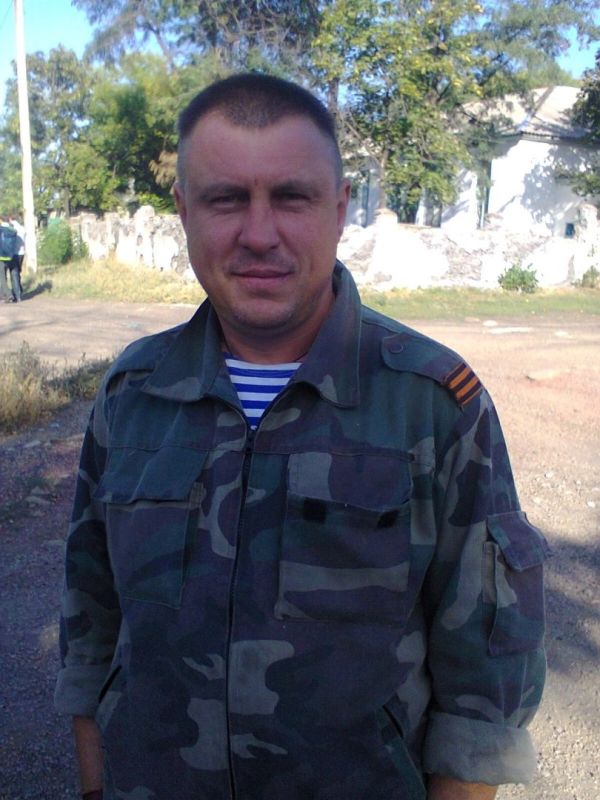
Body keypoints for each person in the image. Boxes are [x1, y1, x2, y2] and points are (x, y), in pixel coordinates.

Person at [55, 73, 549, 800]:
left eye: (292, 197)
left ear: (339, 209)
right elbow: (90, 615)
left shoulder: (431, 403)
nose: (260, 234)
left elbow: (484, 678)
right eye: (226, 199)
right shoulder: (133, 393)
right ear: (184, 211)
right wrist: (97, 784)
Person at [0, 215, 18, 302]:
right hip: (11, 256)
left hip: (1, 256)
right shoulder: (13, 230)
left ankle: (8, 295)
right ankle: (4, 294)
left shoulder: (1, 230)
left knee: (2, 277)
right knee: (10, 276)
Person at [8, 214, 25, 302]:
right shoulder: (22, 228)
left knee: (14, 273)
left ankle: (17, 294)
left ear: (10, 219)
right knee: (18, 272)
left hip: (14, 253)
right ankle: (19, 290)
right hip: (22, 253)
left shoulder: (12, 229)